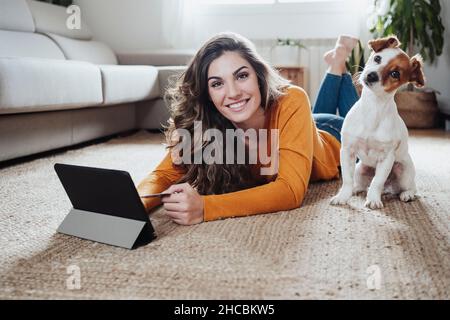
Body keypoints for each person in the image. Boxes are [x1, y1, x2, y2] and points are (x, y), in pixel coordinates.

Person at [137, 32, 360, 225]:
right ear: (206, 94)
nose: (233, 93)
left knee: (362, 117)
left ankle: (338, 61)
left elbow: (290, 191)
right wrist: (136, 204)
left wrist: (206, 207)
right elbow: (163, 175)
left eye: (241, 76)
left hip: (334, 134)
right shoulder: (206, 122)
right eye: (217, 83)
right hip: (302, 125)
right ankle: (336, 64)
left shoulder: (292, 99)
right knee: (309, 116)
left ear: (258, 76)